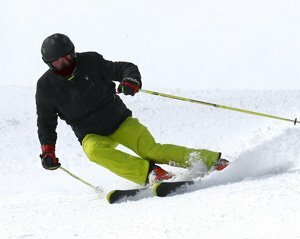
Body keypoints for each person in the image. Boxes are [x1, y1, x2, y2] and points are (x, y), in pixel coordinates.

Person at [36, 33, 228, 185]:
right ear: (49, 63)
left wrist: (131, 79)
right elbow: (46, 122)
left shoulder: (90, 61)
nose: (65, 63)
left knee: (152, 150)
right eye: (58, 61)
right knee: (93, 151)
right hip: (90, 133)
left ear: (73, 52)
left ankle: (211, 160)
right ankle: (152, 173)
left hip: (119, 121)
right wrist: (48, 151)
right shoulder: (46, 87)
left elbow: (124, 68)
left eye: (67, 56)